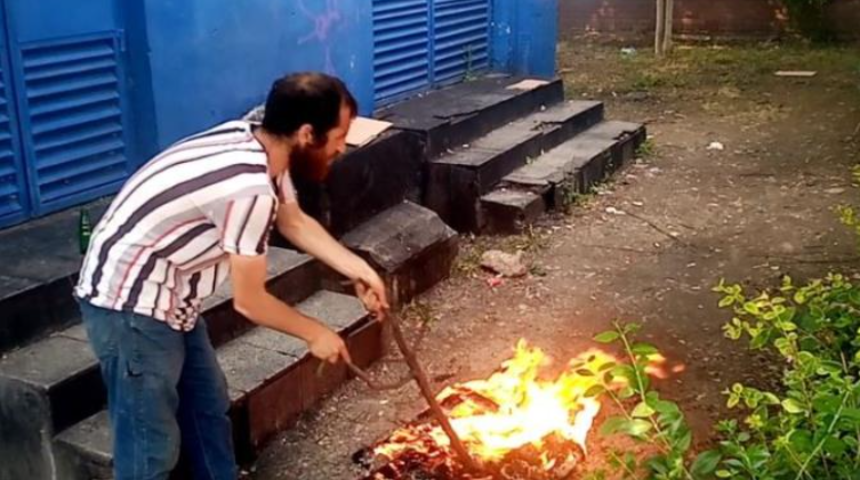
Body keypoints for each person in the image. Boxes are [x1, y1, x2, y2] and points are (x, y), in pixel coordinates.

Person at [74, 72, 389, 480]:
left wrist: (360, 269)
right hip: (129, 306)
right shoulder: (247, 189)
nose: (342, 147)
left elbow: (292, 220)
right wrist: (315, 333)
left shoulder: (262, 141)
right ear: (308, 134)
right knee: (149, 450)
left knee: (207, 412)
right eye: (339, 136)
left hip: (175, 297)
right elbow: (250, 301)